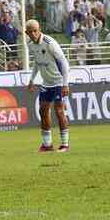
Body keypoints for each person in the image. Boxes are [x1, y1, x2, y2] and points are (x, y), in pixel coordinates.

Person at [25, 19, 71, 153]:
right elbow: (37, 62)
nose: (33, 33)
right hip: (46, 83)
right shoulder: (30, 45)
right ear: (26, 33)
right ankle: (47, 144)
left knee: (59, 111)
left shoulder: (50, 44)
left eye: (35, 30)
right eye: (30, 31)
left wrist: (65, 84)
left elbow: (64, 63)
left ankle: (65, 144)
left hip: (58, 82)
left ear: (39, 30)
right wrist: (32, 80)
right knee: (43, 111)